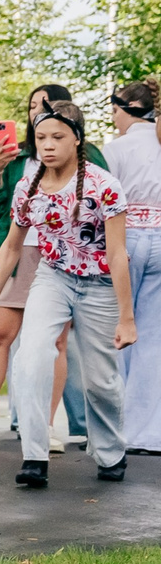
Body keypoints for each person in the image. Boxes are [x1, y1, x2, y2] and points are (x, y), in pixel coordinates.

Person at [0, 100, 133, 487]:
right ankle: (34, 455)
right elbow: (12, 246)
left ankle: (111, 453)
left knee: (101, 381)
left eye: (57, 137)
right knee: (30, 357)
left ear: (76, 140)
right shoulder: (28, 186)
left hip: (99, 285)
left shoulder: (103, 186)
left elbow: (116, 253)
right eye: (41, 137)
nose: (47, 145)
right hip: (52, 277)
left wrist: (127, 317)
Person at [0, 84, 102, 448]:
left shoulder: (89, 155)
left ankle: (44, 427)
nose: (35, 112)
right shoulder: (16, 159)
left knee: (56, 342)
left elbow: (102, 205)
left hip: (64, 255)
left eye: (44, 106)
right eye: (31, 107)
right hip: (18, 254)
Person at [106, 81, 161, 452]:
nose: (112, 117)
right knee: (153, 340)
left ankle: (115, 429)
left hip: (124, 241)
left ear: (128, 107)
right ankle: (149, 434)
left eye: (113, 109)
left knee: (118, 329)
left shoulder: (114, 150)